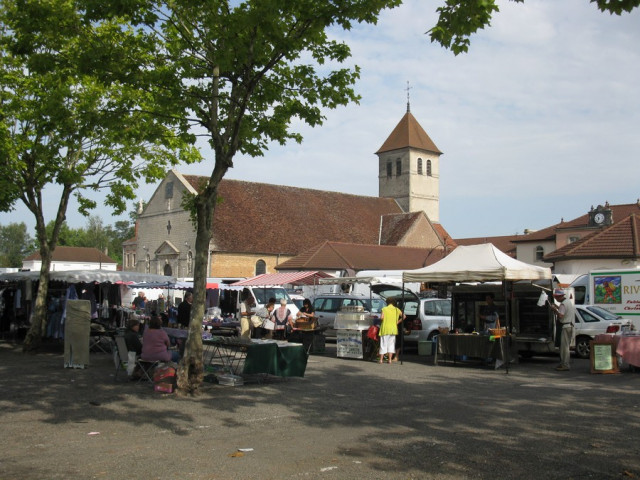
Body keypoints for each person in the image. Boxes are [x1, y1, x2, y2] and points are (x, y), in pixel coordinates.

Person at [549, 288, 575, 371]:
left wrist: (554, 310)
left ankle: (565, 364)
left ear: (559, 296)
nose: (556, 298)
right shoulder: (567, 302)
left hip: (565, 326)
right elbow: (563, 310)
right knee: (565, 346)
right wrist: (557, 307)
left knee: (564, 347)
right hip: (569, 326)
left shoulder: (563, 304)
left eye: (556, 297)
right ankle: (564, 363)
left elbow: (560, 315)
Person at [378, 297, 405, 364]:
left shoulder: (384, 309)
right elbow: (404, 316)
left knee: (383, 344)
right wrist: (397, 322)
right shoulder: (396, 309)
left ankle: (381, 360)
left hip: (385, 328)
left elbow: (381, 318)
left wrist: (381, 319)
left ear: (387, 302)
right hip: (393, 329)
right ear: (393, 303)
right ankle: (390, 360)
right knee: (391, 344)